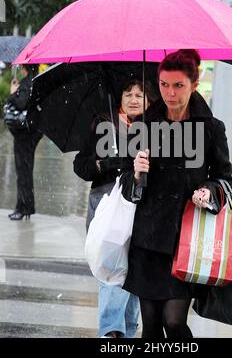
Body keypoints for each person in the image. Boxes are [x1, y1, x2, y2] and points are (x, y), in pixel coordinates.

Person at [120, 49, 232, 338]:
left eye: (179, 85)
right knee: (151, 327)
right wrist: (135, 171)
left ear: (194, 85)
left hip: (186, 238)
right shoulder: (143, 125)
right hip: (148, 238)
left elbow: (224, 177)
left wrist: (208, 191)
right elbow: (124, 183)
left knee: (173, 321)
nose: (170, 93)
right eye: (164, 84)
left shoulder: (211, 128)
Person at [73, 78, 154, 338]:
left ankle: (127, 333)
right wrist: (102, 164)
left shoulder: (155, 129)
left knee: (132, 274)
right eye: (127, 93)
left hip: (141, 210)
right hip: (106, 207)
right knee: (111, 269)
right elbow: (80, 165)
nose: (133, 99)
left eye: (139, 95)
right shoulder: (103, 124)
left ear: (149, 101)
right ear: (119, 98)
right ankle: (111, 333)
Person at [7, 64, 43, 221]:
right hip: (31, 132)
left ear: (24, 67)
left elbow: (21, 103)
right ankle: (25, 207)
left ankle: (23, 208)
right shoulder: (35, 80)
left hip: (25, 134)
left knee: (23, 172)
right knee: (25, 170)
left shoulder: (28, 82)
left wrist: (12, 93)